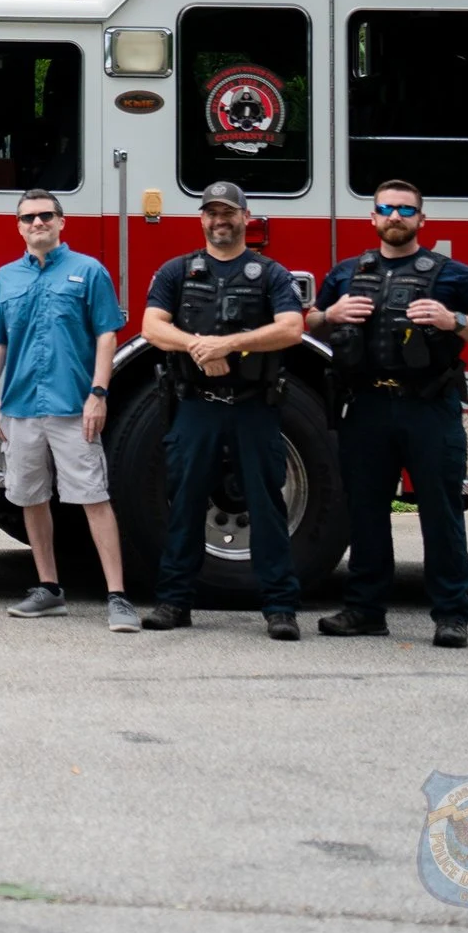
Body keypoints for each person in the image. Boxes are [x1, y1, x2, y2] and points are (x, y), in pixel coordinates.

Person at [310, 179, 468, 649]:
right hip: (366, 407)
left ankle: (451, 615)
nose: (395, 217)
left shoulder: (455, 276)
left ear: (422, 219)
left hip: (429, 408)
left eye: (405, 209)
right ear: (372, 218)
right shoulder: (345, 274)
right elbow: (310, 322)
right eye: (386, 209)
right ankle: (364, 610)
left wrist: (454, 320)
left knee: (440, 513)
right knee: (366, 512)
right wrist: (329, 315)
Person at [138, 181, 309, 640]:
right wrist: (198, 346)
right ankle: (174, 602)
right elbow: (152, 326)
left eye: (229, 213)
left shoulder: (270, 274)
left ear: (245, 218)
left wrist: (229, 345)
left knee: (267, 507)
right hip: (197, 407)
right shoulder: (176, 272)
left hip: (254, 407)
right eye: (212, 213)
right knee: (185, 503)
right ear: (202, 220)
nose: (220, 221)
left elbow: (292, 328)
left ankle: (280, 607)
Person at [0, 189, 136, 632]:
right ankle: (48, 589)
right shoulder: (5, 279)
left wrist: (98, 393)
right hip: (20, 406)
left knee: (93, 497)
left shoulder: (89, 271)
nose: (37, 223)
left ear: (62, 221)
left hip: (73, 406)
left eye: (46, 215)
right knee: (31, 497)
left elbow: (107, 335)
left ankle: (118, 597)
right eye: (28, 217)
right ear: (18, 227)